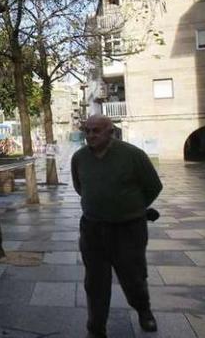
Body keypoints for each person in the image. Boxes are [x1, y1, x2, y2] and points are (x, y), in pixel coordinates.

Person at [71, 115, 162, 337]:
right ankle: (96, 327)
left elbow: (153, 186)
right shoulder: (79, 158)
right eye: (87, 131)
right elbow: (79, 186)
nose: (90, 135)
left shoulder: (133, 155)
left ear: (111, 132)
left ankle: (144, 311)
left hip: (128, 230)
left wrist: (132, 209)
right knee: (95, 282)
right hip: (93, 229)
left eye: (96, 131)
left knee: (134, 278)